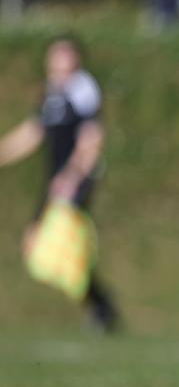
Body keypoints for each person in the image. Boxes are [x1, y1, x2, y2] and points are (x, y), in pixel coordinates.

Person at [0, 37, 118, 332]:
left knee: (56, 247)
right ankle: (100, 306)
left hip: (73, 181)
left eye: (63, 56)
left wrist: (72, 175)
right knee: (36, 244)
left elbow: (91, 137)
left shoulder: (82, 88)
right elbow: (33, 132)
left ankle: (101, 309)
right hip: (52, 181)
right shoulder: (51, 93)